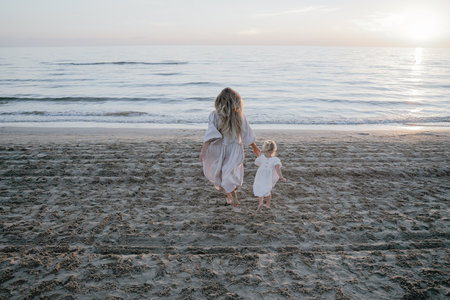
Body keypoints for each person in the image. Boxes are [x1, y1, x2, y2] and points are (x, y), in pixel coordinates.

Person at [200, 87, 260, 207]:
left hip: (227, 149)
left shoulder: (238, 116)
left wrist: (254, 146)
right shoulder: (217, 115)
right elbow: (246, 133)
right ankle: (230, 195)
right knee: (223, 175)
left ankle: (232, 196)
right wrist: (254, 146)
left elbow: (244, 132)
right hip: (228, 149)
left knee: (227, 175)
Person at [253, 140, 286, 211]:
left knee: (260, 188)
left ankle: (260, 203)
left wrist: (258, 155)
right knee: (267, 190)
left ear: (264, 149)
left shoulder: (261, 157)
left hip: (260, 175)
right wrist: (281, 177)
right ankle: (267, 205)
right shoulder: (275, 159)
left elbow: (257, 163)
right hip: (268, 177)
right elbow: (278, 169)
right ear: (274, 150)